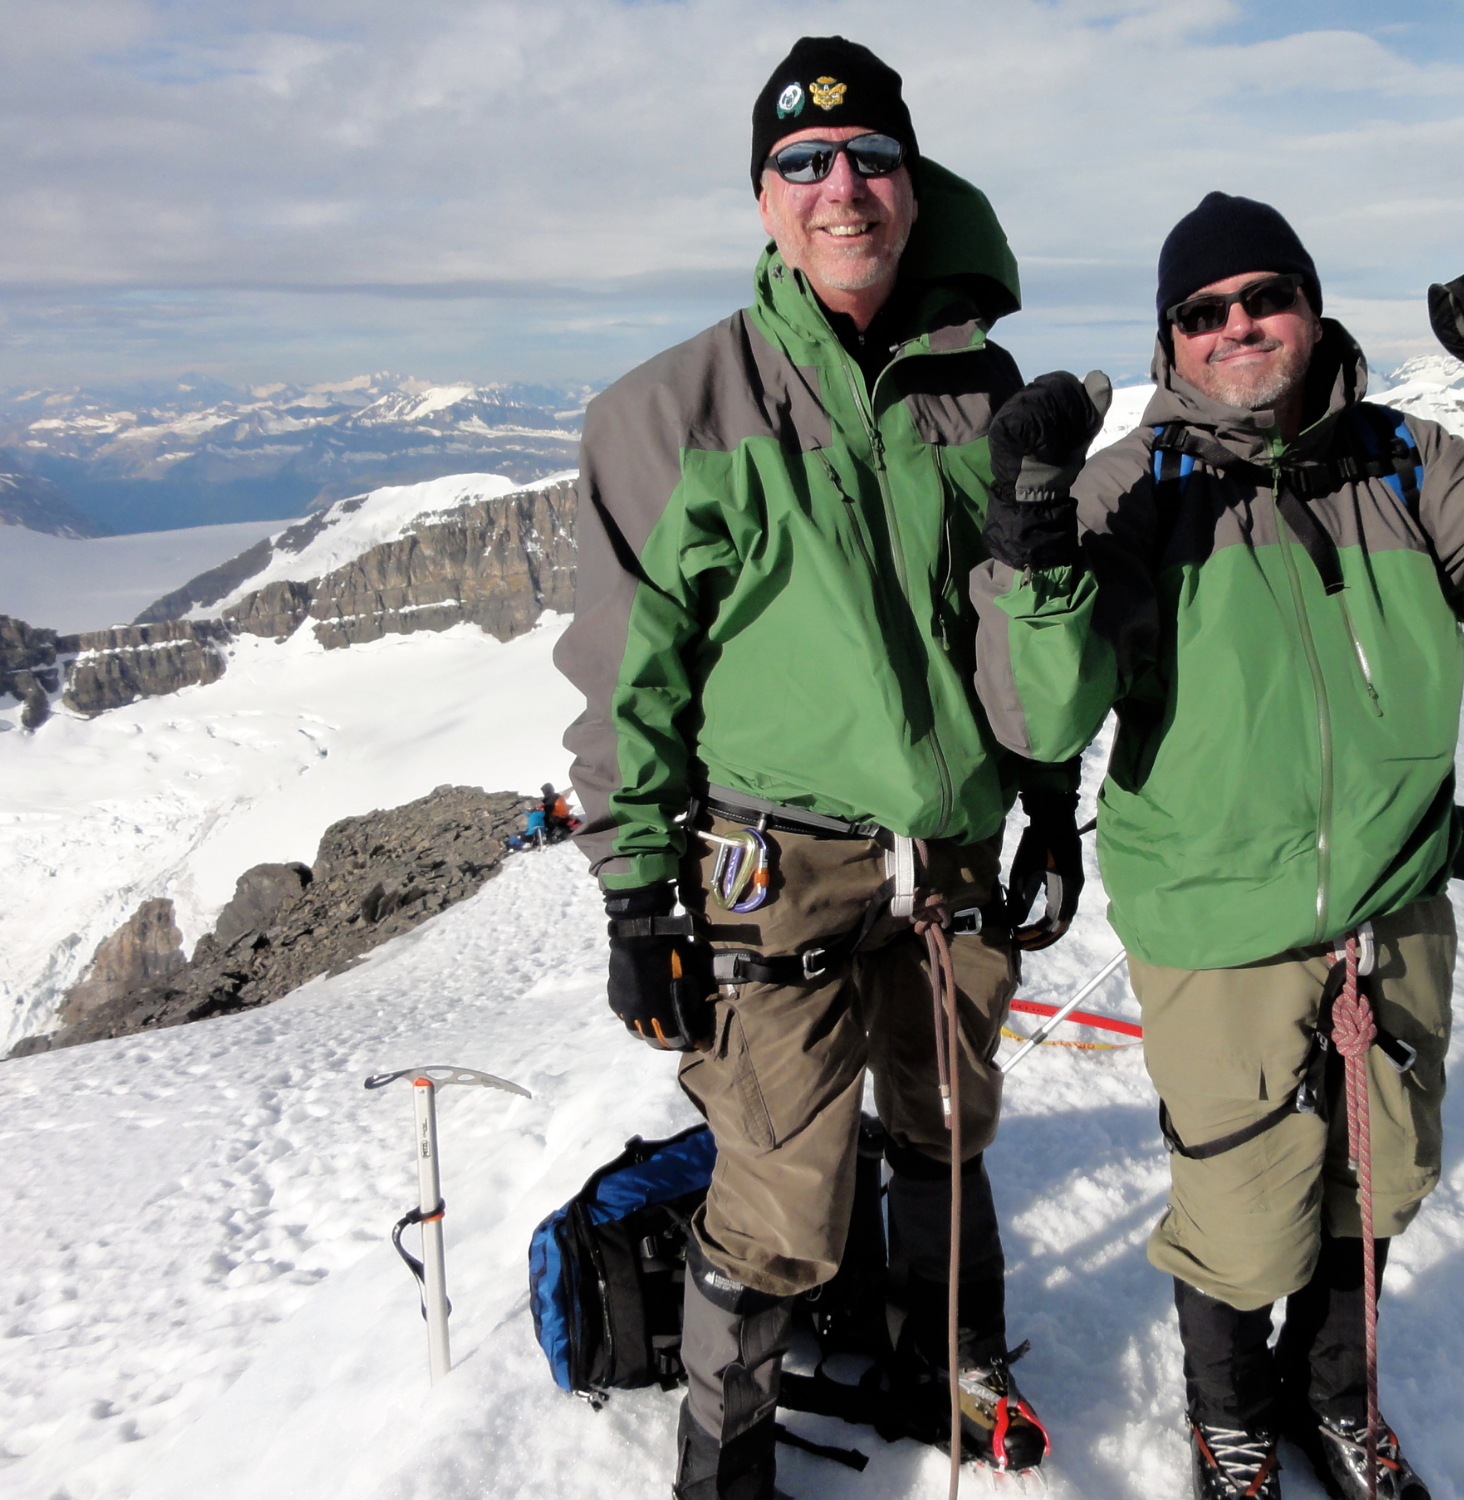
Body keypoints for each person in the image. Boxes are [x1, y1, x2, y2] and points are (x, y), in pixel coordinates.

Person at [970, 193, 1464, 1499]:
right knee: (1242, 1216)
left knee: (1376, 1185)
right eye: (1205, 312)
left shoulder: (1405, 465)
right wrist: (1030, 535)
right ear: (1170, 341)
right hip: (1216, 925)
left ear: (1312, 304)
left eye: (1265, 296)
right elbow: (1040, 710)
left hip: (1391, 910)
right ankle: (1232, 1424)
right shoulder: (1129, 493)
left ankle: (1336, 1399)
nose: (1240, 325)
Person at [553, 36, 1079, 1500]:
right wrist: (638, 895)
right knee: (782, 1192)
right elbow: (627, 677)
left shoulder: (983, 391)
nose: (840, 187)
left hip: (955, 848)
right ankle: (724, 1467)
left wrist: (1045, 795)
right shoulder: (672, 411)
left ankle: (943, 1358)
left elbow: (1012, 623)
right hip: (770, 865)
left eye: (870, 160)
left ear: (914, 187)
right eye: (804, 163)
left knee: (946, 1122)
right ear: (764, 199)